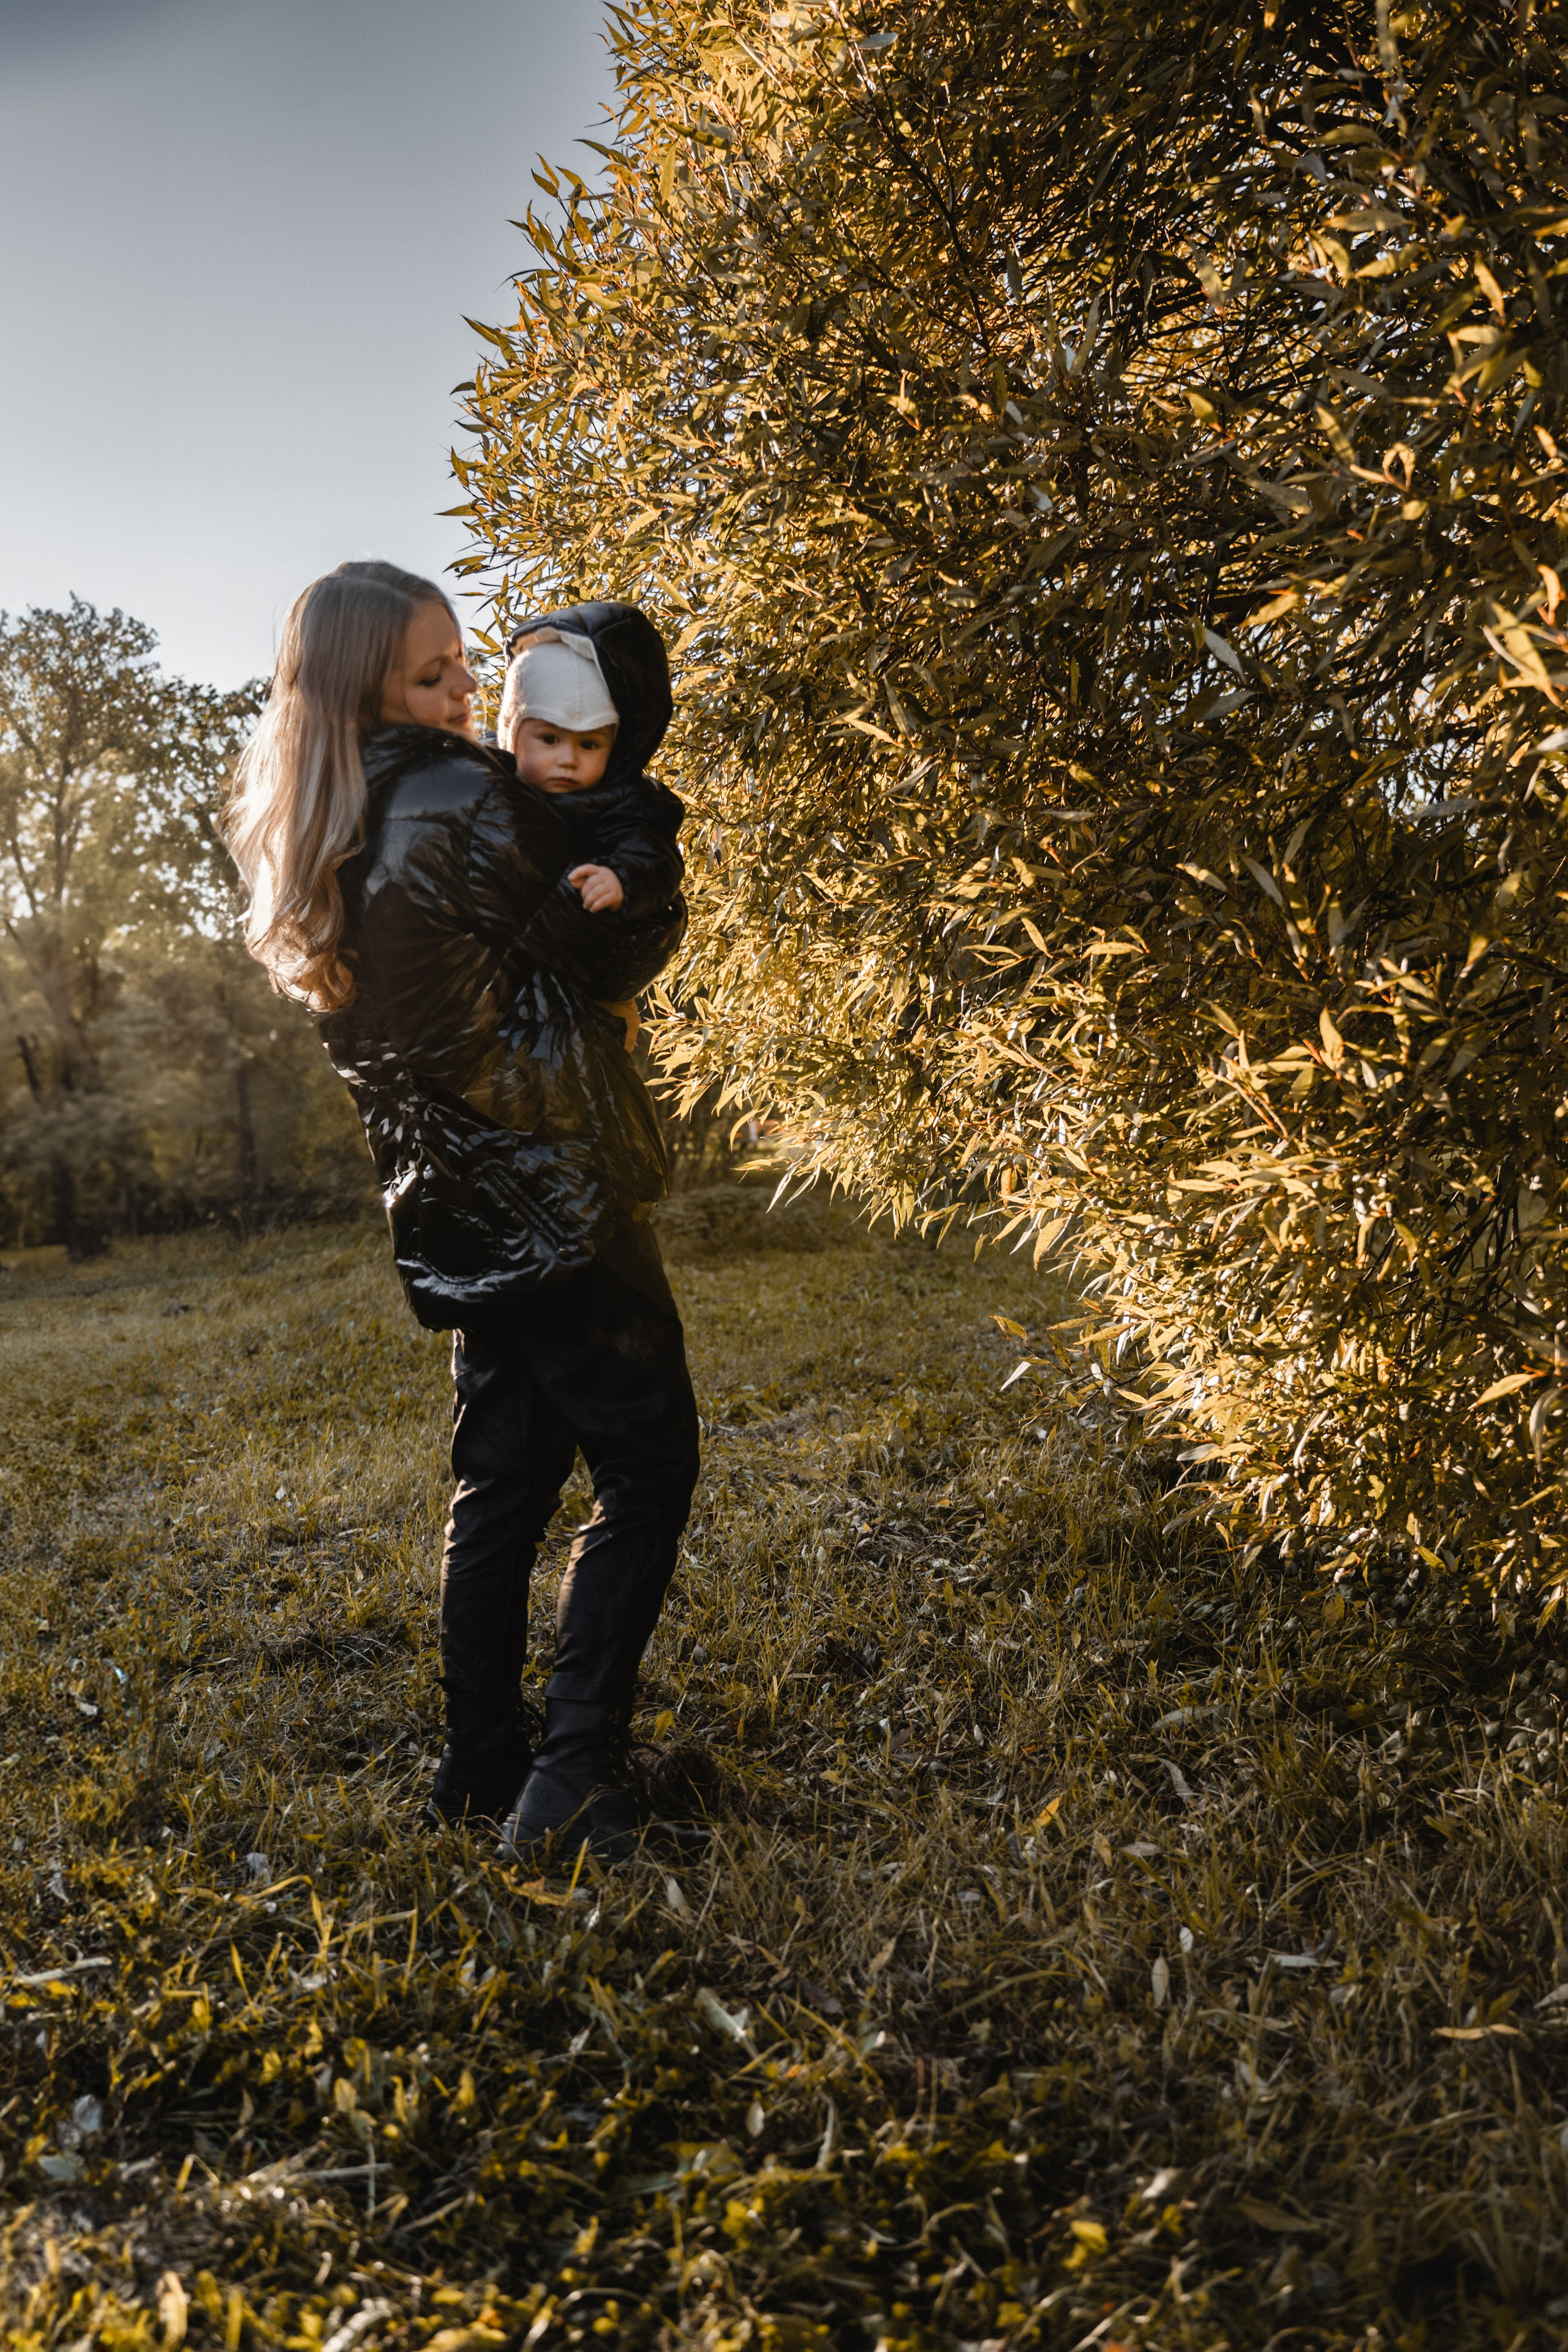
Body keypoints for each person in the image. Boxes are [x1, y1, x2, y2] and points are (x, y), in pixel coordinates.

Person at [224, 560, 701, 1863]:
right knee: (647, 1468)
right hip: (557, 1189)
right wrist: (644, 873)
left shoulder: (321, 824)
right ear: (362, 690)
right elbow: (615, 938)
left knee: (500, 1485)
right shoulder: (465, 799)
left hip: (450, 1207)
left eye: (463, 663)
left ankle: (479, 1763)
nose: (466, 693)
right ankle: (573, 1781)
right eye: (432, 675)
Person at [497, 621, 685, 925]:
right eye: (549, 739)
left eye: (589, 744)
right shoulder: (486, 780)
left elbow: (656, 856)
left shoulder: (628, 805)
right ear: (512, 736)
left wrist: (621, 878)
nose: (568, 760)